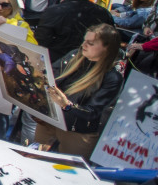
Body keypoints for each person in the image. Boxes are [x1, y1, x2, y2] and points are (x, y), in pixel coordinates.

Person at [34, 25, 122, 157]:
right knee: (34, 160)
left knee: (66, 171)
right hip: (50, 121)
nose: (83, 45)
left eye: (90, 43)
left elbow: (92, 112)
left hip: (77, 132)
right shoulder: (74, 56)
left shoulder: (112, 77)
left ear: (107, 48)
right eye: (84, 40)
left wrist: (67, 106)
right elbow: (48, 75)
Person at [34, 0, 115, 62]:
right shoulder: (103, 13)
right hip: (90, 67)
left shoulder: (54, 12)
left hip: (59, 68)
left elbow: (39, 42)